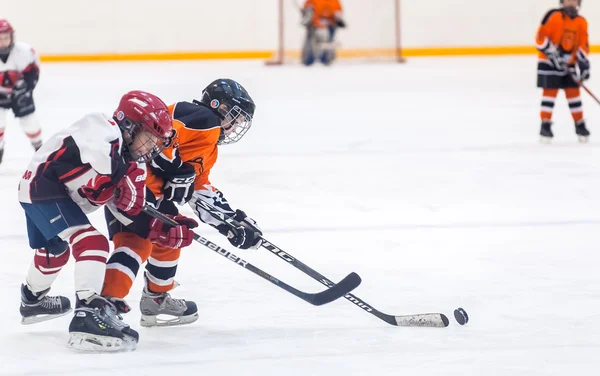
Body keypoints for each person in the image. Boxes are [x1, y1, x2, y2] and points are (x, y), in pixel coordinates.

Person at [17, 90, 180, 352]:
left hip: (55, 196)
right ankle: (88, 311)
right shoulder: (100, 126)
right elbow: (99, 154)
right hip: (42, 188)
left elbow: (131, 212)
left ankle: (31, 299)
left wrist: (162, 226)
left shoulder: (134, 166)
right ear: (129, 126)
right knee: (92, 243)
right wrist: (121, 176)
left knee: (54, 251)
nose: (152, 147)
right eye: (150, 137)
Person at [101, 79, 261, 327]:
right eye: (235, 115)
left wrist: (232, 221)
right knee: (137, 244)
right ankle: (103, 310)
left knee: (170, 236)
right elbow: (159, 132)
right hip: (134, 185)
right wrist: (174, 167)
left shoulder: (210, 148)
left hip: (150, 195)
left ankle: (155, 299)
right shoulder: (201, 118)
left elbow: (200, 187)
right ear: (218, 106)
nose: (237, 124)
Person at [536, 0, 590, 143]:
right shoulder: (553, 16)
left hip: (569, 64)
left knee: (573, 93)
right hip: (548, 63)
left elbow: (583, 45)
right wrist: (553, 54)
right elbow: (540, 38)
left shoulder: (581, 22)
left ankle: (579, 124)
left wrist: (584, 64)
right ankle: (545, 125)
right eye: (568, 0)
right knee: (550, 92)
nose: (571, 3)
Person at [0, 20, 43, 162]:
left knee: (30, 123)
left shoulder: (24, 52)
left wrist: (25, 90)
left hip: (20, 93)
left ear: (12, 37)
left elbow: (33, 74)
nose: (3, 42)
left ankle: (39, 148)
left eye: (6, 37)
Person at [300, 0, 346, 66]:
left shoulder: (334, 1)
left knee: (329, 38)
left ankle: (326, 59)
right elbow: (308, 10)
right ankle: (309, 59)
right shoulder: (312, 1)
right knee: (310, 40)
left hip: (330, 24)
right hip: (314, 24)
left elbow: (338, 12)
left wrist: (339, 19)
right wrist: (307, 16)